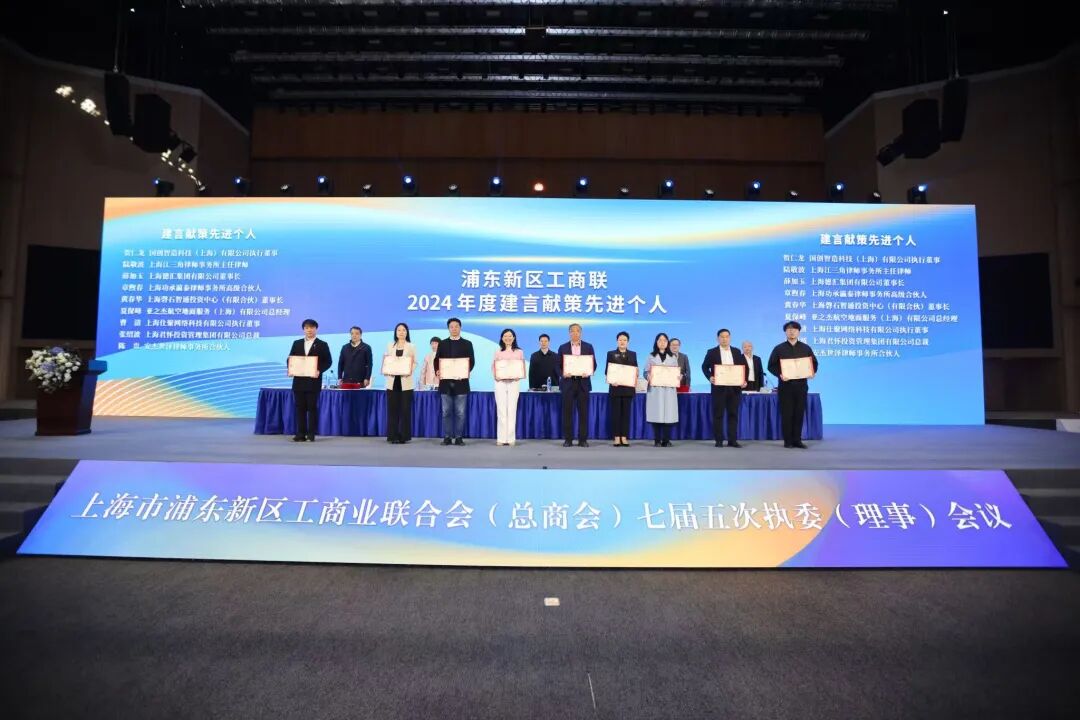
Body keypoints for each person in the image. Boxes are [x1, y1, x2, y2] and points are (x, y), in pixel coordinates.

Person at [767, 321, 819, 449]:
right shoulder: (779, 348)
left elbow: (814, 363)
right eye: (789, 329)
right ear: (785, 332)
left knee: (799, 413)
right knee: (787, 414)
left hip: (801, 386)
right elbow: (771, 365)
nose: (792, 331)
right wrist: (780, 374)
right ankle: (788, 441)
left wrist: (812, 372)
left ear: (799, 332)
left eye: (795, 329)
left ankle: (797, 440)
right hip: (786, 386)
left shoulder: (806, 348)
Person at [287, 318, 332, 442]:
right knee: (300, 408)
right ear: (303, 329)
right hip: (299, 381)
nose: (309, 330)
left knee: (312, 408)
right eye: (306, 328)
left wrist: (319, 370)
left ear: (316, 329)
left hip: (313, 381)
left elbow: (328, 361)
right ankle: (300, 434)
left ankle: (311, 434)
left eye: (312, 327)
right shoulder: (297, 343)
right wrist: (290, 369)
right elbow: (290, 359)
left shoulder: (322, 344)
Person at [702, 329, 748, 448]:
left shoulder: (737, 351)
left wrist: (743, 380)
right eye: (722, 337)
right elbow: (704, 367)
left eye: (727, 336)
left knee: (733, 414)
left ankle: (732, 440)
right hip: (719, 388)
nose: (724, 339)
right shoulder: (712, 352)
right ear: (718, 338)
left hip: (734, 388)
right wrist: (710, 377)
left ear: (730, 338)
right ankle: (719, 440)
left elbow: (742, 368)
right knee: (718, 415)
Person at [434, 317, 475, 446]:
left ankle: (458, 437)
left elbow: (471, 361)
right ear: (448, 328)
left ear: (460, 328)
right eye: (451, 327)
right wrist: (437, 370)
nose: (454, 329)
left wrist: (464, 372)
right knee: (446, 412)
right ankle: (447, 437)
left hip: (461, 383)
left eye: (456, 326)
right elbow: (437, 360)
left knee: (460, 412)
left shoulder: (467, 343)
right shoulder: (442, 343)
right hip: (445, 383)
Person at [557, 323, 596, 447]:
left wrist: (588, 372)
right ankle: (568, 439)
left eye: (577, 331)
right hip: (568, 383)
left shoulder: (588, 347)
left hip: (583, 383)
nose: (575, 333)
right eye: (572, 331)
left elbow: (594, 364)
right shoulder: (562, 347)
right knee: (567, 413)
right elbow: (557, 366)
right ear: (569, 333)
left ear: (581, 333)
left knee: (583, 413)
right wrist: (563, 374)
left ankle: (582, 440)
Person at [383, 322, 417, 444]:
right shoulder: (389, 345)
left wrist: (409, 371)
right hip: (392, 382)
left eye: (403, 330)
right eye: (399, 330)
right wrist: (386, 369)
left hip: (406, 382)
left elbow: (415, 362)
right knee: (392, 410)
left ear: (407, 332)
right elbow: (386, 361)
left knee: (405, 410)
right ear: (395, 332)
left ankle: (404, 436)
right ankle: (393, 436)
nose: (401, 332)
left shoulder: (411, 346)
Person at [492, 328, 525, 446]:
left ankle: (510, 438)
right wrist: (496, 376)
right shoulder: (497, 352)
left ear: (514, 338)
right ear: (502, 338)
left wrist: (519, 375)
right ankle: (501, 438)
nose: (508, 338)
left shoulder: (519, 352)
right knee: (501, 410)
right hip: (500, 383)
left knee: (512, 409)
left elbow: (522, 367)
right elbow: (493, 366)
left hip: (514, 383)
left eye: (510, 336)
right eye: (505, 336)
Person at [646, 332, 679, 447]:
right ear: (656, 342)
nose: (662, 342)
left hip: (669, 389)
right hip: (656, 389)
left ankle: (666, 440)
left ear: (667, 343)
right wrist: (648, 376)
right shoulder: (651, 356)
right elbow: (645, 372)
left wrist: (679, 377)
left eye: (664, 340)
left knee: (668, 415)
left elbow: (676, 372)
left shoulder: (673, 357)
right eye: (660, 340)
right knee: (656, 414)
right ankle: (657, 440)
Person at [605, 331, 637, 447]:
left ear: (628, 342)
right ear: (617, 341)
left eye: (624, 340)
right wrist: (611, 379)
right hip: (616, 388)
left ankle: (624, 436)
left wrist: (636, 374)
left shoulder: (633, 354)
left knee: (626, 414)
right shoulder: (611, 354)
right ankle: (617, 437)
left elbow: (635, 369)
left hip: (628, 389)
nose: (622, 342)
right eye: (620, 340)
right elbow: (607, 371)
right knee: (616, 414)